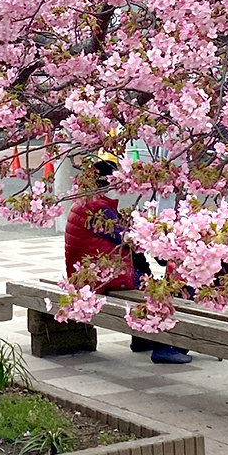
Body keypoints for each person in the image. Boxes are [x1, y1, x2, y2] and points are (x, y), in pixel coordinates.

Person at [63, 154, 191, 365]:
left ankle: (142, 338)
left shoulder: (87, 202)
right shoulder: (98, 209)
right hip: (103, 276)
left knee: (145, 271)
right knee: (160, 290)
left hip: (92, 273)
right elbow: (128, 239)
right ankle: (164, 346)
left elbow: (126, 240)